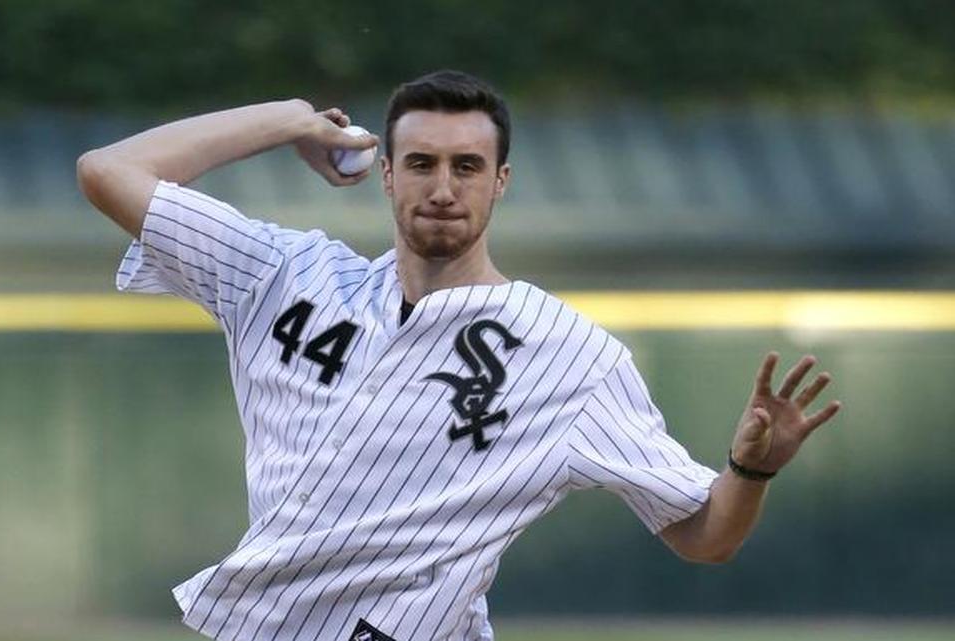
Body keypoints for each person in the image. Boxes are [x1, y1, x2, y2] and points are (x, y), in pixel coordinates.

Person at [76, 70, 842, 641]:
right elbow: (108, 172)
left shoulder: (570, 357)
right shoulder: (283, 274)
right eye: (421, 163)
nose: (443, 186)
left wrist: (751, 470)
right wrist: (289, 119)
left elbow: (707, 535)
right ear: (386, 175)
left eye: (467, 167)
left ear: (500, 182)